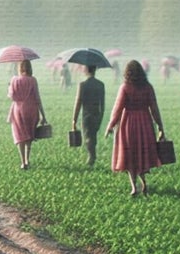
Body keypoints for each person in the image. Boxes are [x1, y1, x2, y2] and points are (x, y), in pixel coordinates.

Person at [106, 59, 167, 196]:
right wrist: (160, 126)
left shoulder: (125, 87)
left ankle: (134, 187)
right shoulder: (148, 87)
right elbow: (154, 108)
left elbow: (118, 108)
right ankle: (144, 182)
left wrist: (110, 125)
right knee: (142, 154)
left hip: (128, 124)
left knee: (130, 156)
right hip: (145, 123)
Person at [6, 60, 48, 169]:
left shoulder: (14, 80)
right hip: (31, 109)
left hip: (17, 110)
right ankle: (27, 160)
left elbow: (11, 96)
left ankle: (22, 162)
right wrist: (43, 115)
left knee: (19, 135)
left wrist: (9, 86)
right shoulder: (33, 80)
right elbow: (37, 97)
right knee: (29, 135)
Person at [71, 64, 106, 168]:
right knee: (93, 135)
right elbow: (102, 104)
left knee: (87, 136)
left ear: (86, 70)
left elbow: (78, 102)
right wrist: (101, 116)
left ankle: (91, 157)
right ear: (95, 70)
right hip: (96, 113)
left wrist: (74, 119)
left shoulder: (83, 85)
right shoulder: (100, 84)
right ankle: (92, 155)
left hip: (86, 114)